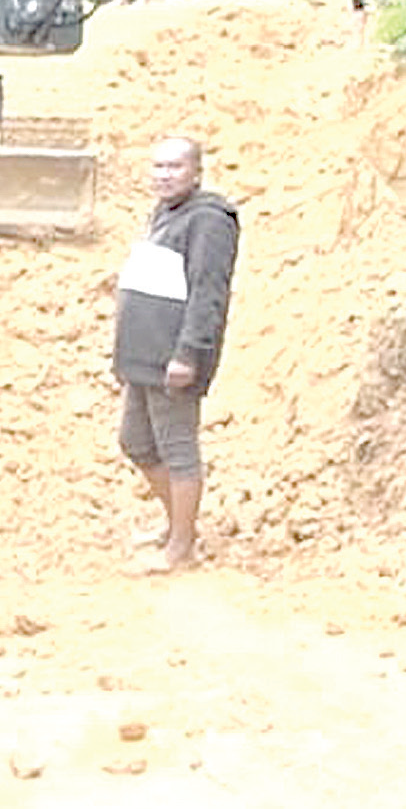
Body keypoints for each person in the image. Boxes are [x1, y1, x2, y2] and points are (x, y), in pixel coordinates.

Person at [112, 135, 240, 572]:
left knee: (177, 447)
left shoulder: (210, 221)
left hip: (173, 356)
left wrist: (188, 353)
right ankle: (178, 526)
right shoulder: (166, 214)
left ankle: (181, 550)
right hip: (144, 353)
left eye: (175, 167)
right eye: (158, 167)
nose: (164, 175)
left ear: (197, 172)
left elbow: (208, 293)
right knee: (135, 441)